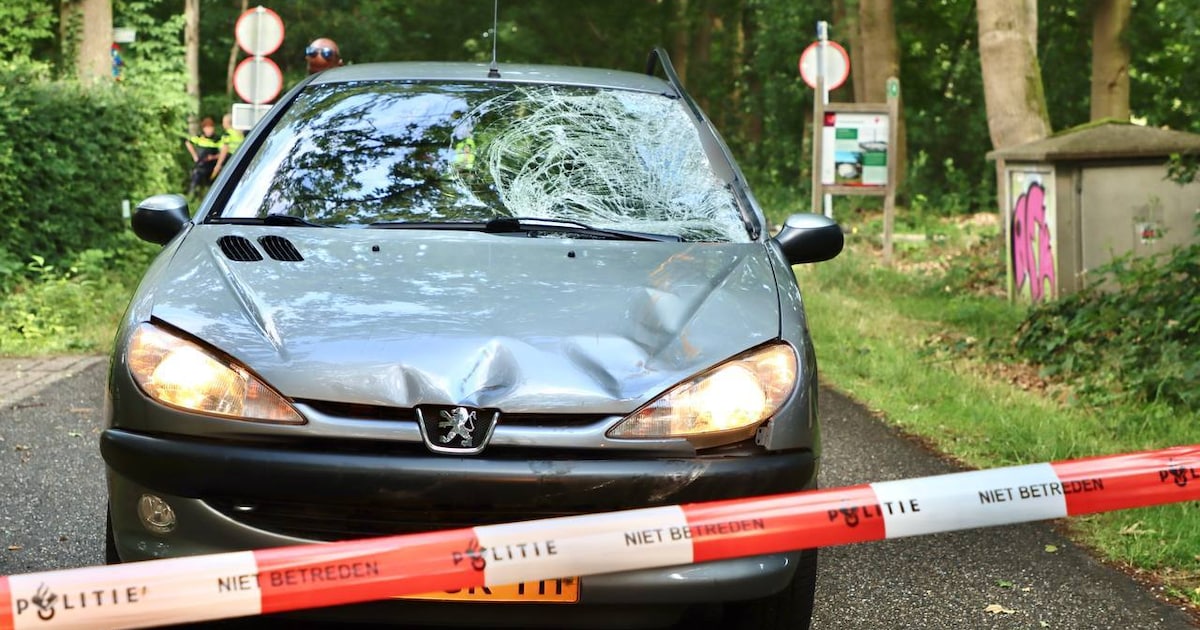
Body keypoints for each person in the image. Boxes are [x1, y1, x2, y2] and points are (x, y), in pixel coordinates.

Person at [185, 117, 221, 195]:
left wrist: (213, 157)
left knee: (212, 188)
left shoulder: (218, 139)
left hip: (212, 167)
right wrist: (194, 156)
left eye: (210, 128)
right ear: (203, 129)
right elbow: (188, 142)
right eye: (207, 128)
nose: (209, 130)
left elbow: (224, 153)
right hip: (200, 166)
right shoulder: (199, 137)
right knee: (194, 185)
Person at [212, 113, 245, 180]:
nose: (222, 124)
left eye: (223, 122)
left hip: (230, 160)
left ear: (227, 123)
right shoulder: (240, 133)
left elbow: (225, 149)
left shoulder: (227, 134)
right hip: (239, 159)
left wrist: (218, 165)